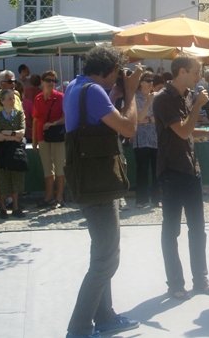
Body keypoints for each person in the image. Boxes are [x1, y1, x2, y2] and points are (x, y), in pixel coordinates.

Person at [64, 47, 141, 338]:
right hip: (99, 185)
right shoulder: (95, 91)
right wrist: (130, 94)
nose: (118, 77)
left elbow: (96, 118)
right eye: (117, 73)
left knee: (101, 254)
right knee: (106, 260)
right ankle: (79, 328)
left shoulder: (76, 86)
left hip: (85, 180)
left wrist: (117, 92)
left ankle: (105, 316)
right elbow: (129, 128)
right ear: (107, 70)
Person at [154, 55, 209, 300]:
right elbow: (182, 131)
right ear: (181, 72)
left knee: (198, 228)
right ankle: (175, 283)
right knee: (172, 229)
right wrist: (197, 106)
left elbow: (186, 129)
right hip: (171, 171)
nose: (199, 77)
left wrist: (206, 133)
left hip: (191, 169)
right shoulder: (163, 98)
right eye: (196, 72)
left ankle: (200, 279)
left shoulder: (186, 95)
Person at [0, 89, 26, 220]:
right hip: (1, 150)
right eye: (9, 98)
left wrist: (7, 133)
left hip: (15, 150)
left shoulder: (19, 114)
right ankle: (3, 208)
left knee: (15, 177)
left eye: (13, 98)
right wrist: (13, 136)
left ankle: (15, 207)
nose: (12, 101)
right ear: (2, 101)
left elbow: (21, 133)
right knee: (2, 178)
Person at [32, 70, 66, 209]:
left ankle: (60, 197)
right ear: (42, 82)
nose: (51, 83)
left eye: (53, 81)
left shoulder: (60, 97)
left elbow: (66, 117)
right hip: (42, 136)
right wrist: (34, 141)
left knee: (59, 167)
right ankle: (49, 196)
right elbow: (35, 120)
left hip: (57, 136)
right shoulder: (38, 98)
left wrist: (54, 123)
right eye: (48, 80)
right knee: (47, 168)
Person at [134, 72, 159, 209]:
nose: (151, 83)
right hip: (141, 139)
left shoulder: (157, 97)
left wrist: (146, 120)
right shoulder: (135, 98)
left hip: (155, 138)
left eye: (152, 80)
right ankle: (141, 200)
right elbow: (138, 119)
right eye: (148, 80)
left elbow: (159, 117)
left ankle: (156, 199)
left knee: (157, 170)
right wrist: (148, 103)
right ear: (141, 83)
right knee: (142, 170)